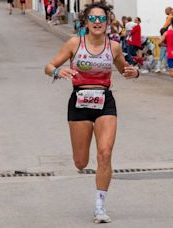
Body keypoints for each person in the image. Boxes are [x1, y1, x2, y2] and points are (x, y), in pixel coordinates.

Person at [44, 2, 139, 224]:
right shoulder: (74, 43)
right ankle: (82, 166)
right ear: (86, 22)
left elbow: (126, 71)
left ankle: (100, 206)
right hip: (79, 102)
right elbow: (48, 66)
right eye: (93, 18)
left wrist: (135, 73)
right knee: (81, 162)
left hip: (105, 101)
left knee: (105, 153)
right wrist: (59, 71)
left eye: (101, 18)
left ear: (107, 22)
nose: (97, 22)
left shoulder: (113, 46)